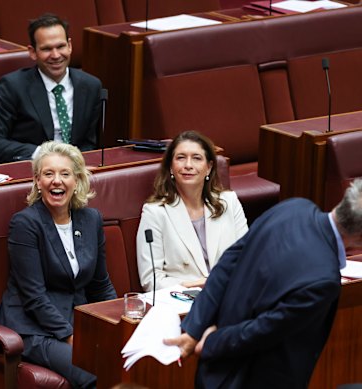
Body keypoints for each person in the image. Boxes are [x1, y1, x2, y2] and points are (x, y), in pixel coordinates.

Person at [166, 178, 362, 389]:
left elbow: (228, 262)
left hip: (212, 371)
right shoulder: (324, 279)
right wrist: (210, 342)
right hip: (252, 378)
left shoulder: (294, 207)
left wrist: (196, 327)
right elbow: (264, 329)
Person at [0, 141, 117, 388]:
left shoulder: (91, 219)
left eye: (65, 174)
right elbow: (34, 298)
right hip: (34, 328)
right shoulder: (26, 224)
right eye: (48, 174)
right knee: (97, 371)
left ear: (77, 180)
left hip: (76, 321)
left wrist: (117, 323)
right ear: (38, 181)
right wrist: (73, 336)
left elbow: (100, 285)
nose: (56, 181)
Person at [0, 14, 102, 166]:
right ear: (32, 52)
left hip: (73, 172)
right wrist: (41, 154)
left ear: (70, 46)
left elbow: (89, 143)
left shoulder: (91, 86)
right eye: (46, 49)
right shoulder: (12, 86)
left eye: (60, 46)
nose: (55, 55)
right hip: (29, 170)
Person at [136, 131, 248, 291]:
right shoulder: (155, 212)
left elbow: (248, 259)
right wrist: (190, 287)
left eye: (196, 158)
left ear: (209, 167)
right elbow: (151, 279)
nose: (188, 165)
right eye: (181, 158)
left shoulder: (229, 202)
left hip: (231, 294)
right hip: (185, 300)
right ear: (171, 167)